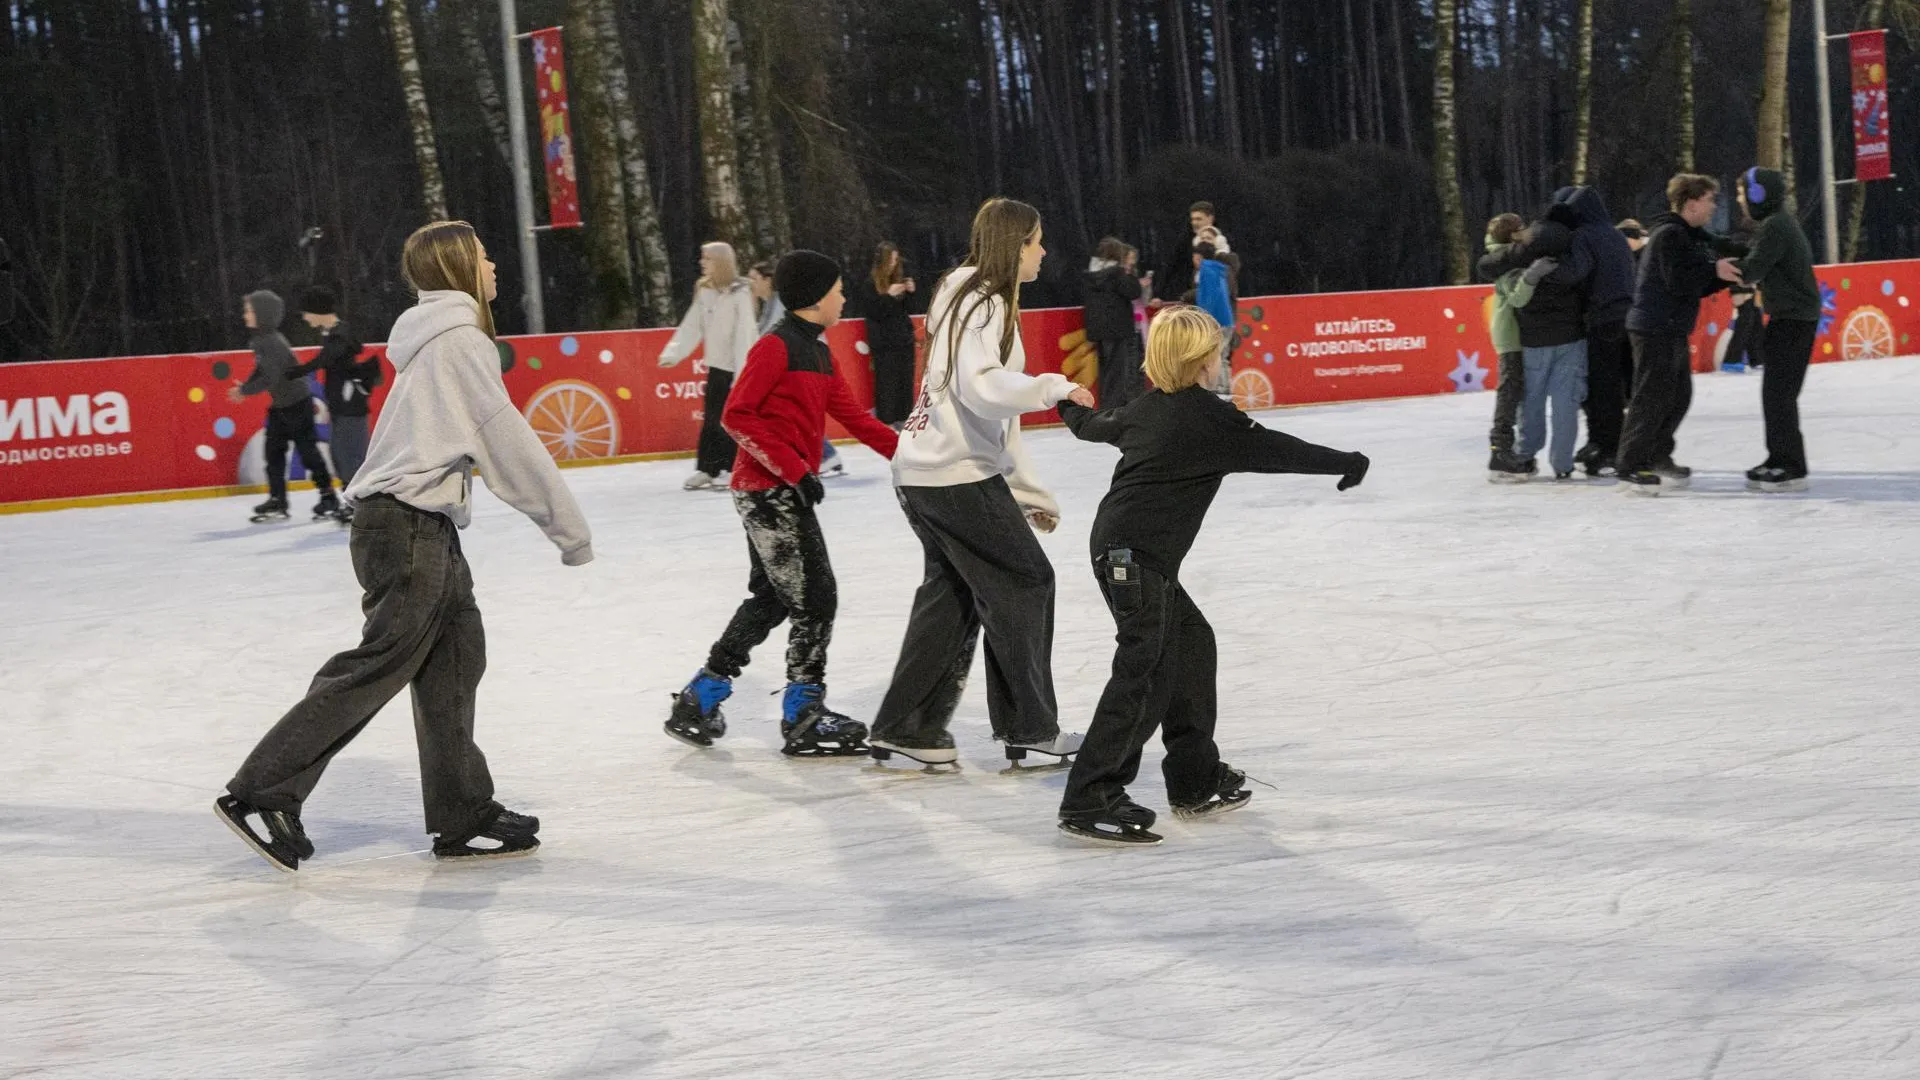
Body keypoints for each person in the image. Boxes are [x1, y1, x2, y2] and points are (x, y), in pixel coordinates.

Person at [217, 221, 593, 871]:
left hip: (421, 527)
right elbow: (505, 440)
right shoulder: (459, 342)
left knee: (455, 660)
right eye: (483, 254)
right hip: (406, 527)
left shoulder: (438, 337)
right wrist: (569, 529)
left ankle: (462, 811)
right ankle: (263, 792)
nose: (494, 264)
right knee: (380, 663)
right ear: (457, 268)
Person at [1053, 307, 1369, 844]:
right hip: (1136, 559)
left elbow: (1093, 426)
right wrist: (1347, 461)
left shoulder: (1146, 409)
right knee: (1144, 672)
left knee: (1191, 646)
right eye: (1217, 352)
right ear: (1200, 360)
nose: (1223, 359)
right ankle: (1091, 796)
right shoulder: (1210, 418)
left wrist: (1064, 402)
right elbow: (1278, 450)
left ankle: (1195, 779)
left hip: (1124, 552)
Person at [868, 197, 1097, 769]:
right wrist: (1053, 387)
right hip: (952, 475)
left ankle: (908, 727)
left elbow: (987, 411)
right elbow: (984, 389)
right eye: (1036, 241)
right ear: (1014, 244)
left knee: (952, 595)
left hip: (922, 469)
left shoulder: (960, 292)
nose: (1043, 251)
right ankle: (1032, 727)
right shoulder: (985, 300)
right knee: (1025, 580)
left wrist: (1023, 492)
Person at [665, 251, 902, 757]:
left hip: (779, 489)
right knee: (816, 597)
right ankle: (803, 714)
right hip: (767, 491)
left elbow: (855, 419)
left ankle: (700, 697)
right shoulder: (775, 347)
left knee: (773, 599)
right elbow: (737, 416)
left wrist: (915, 456)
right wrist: (793, 468)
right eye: (837, 289)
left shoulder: (818, 352)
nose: (843, 297)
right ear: (817, 297)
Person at [1618, 174, 1745, 495]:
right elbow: (1678, 281)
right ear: (1691, 204)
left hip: (1668, 326)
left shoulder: (1684, 234)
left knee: (1677, 396)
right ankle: (1631, 464)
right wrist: (1714, 272)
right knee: (1651, 396)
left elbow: (1694, 281)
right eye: (1709, 200)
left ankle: (1658, 454)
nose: (1714, 207)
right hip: (1653, 327)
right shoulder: (1670, 236)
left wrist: (1723, 277)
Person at [1734, 166, 1822, 492]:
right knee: (1775, 394)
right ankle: (1777, 457)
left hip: (1794, 320)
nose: (1741, 200)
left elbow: (1752, 268)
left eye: (1744, 193)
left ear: (1759, 195)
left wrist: (1714, 267)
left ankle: (1790, 465)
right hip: (1790, 318)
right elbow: (1754, 256)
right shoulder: (1775, 224)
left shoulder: (1776, 227)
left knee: (1779, 394)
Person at [227, 289, 337, 522]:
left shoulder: (273, 342)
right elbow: (262, 370)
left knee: (308, 453)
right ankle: (278, 500)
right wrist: (245, 386)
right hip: (281, 405)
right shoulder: (260, 340)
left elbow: (271, 377)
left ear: (263, 314)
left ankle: (329, 497)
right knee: (273, 453)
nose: (244, 314)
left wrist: (244, 391)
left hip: (297, 403)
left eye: (249, 310)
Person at [660, 242, 759, 490]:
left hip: (737, 368)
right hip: (717, 367)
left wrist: (742, 373)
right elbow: (692, 326)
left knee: (730, 421)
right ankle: (707, 467)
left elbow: (744, 334)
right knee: (712, 419)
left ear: (721, 262)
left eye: (707, 259)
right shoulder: (706, 292)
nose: (702, 263)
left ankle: (729, 468)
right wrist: (674, 353)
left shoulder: (741, 293)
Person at [1504, 219, 1588, 481]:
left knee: (1532, 402)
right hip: (1570, 339)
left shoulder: (1520, 267)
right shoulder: (1573, 264)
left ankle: (1525, 454)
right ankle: (1562, 463)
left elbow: (1516, 298)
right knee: (1566, 403)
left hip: (1534, 343)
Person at [290, 286, 383, 521]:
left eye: (307, 312)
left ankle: (362, 504)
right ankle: (354, 502)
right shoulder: (334, 333)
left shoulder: (340, 334)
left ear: (318, 310)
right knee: (340, 454)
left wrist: (297, 371)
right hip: (342, 406)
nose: (304, 317)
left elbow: (327, 358)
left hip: (351, 405)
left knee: (349, 455)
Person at [751, 259, 843, 477]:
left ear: (767, 279)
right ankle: (819, 455)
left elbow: (772, 332)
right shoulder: (773, 302)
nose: (750, 284)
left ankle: (826, 455)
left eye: (754, 278)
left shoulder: (782, 301)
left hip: (802, 361)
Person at [1480, 213, 1536, 477]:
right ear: (1512, 234)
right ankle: (1500, 450)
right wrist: (1532, 277)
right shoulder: (1506, 261)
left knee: (1513, 390)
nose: (1526, 231)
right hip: (1510, 335)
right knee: (1509, 391)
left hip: (1511, 333)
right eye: (1521, 228)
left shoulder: (1505, 256)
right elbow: (1517, 298)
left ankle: (1505, 449)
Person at [861, 241, 919, 428]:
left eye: (896, 260)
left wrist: (910, 292)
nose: (895, 264)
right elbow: (875, 313)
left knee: (905, 380)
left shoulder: (897, 280)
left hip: (903, 339)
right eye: (892, 260)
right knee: (887, 383)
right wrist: (888, 296)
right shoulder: (870, 284)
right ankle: (885, 421)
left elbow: (906, 310)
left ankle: (905, 419)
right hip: (884, 344)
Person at [1084, 237, 1147, 408]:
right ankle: (1115, 407)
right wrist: (1130, 273)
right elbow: (1134, 292)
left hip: (1098, 329)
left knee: (1104, 369)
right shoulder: (1117, 274)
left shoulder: (1092, 274)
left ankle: (1105, 405)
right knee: (1117, 370)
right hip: (1117, 328)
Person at [1190, 241, 1236, 395]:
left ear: (1199, 257)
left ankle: (1219, 389)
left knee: (1214, 357)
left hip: (1216, 321)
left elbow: (1210, 298)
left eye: (1195, 257)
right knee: (1221, 356)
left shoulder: (1206, 270)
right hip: (1226, 319)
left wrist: (1205, 318)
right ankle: (1224, 388)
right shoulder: (1217, 270)